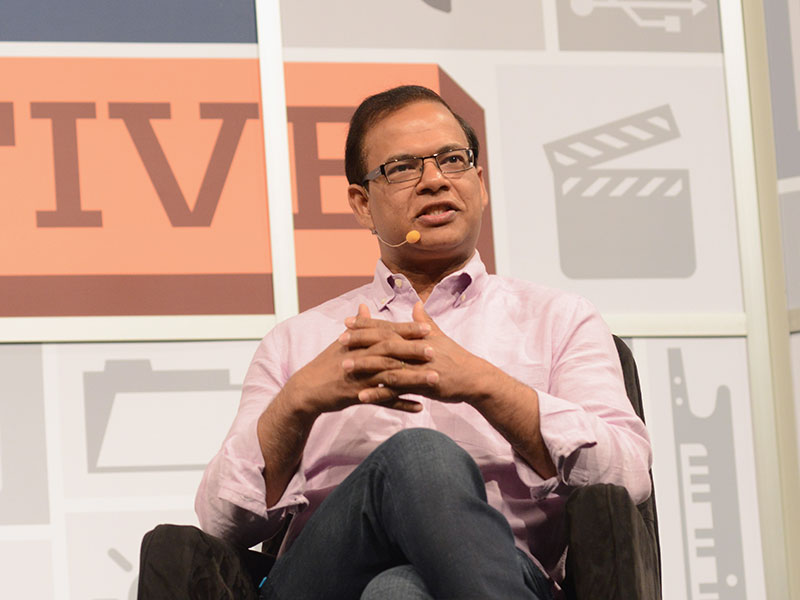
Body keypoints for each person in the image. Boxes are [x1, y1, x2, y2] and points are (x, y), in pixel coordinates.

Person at [195, 85, 652, 599]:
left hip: (509, 572)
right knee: (417, 457)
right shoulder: (297, 343)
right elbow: (219, 521)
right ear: (362, 204)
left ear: (479, 184)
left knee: (398, 591)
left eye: (452, 160)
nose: (435, 180)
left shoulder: (558, 319)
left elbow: (628, 475)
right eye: (403, 168)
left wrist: (488, 386)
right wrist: (297, 404)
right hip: (324, 583)